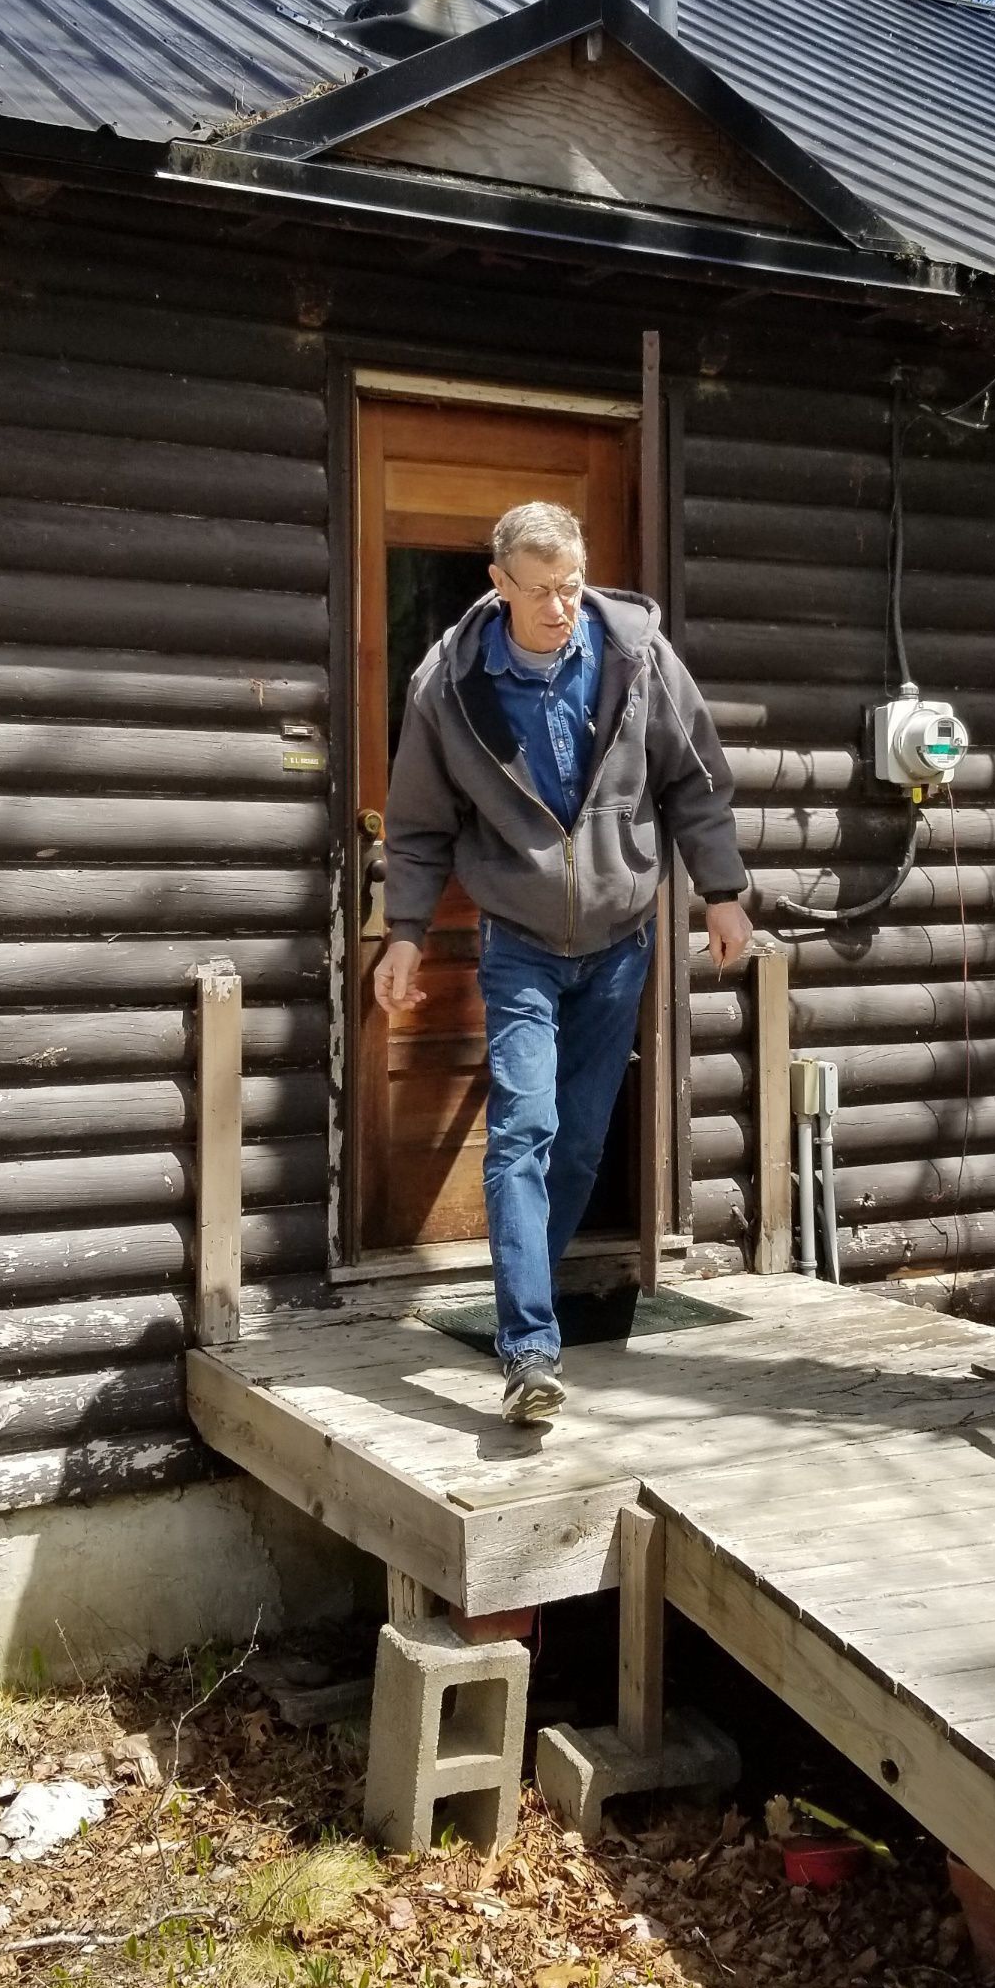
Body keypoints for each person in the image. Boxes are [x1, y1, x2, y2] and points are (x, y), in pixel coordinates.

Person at [375, 500, 753, 1423]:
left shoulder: (637, 655)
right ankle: (530, 1348)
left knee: (579, 1143)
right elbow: (418, 827)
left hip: (622, 942)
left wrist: (722, 890)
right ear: (498, 585)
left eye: (572, 586)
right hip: (519, 945)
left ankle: (528, 1298)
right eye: (540, 590)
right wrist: (405, 933)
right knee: (523, 1131)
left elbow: (695, 779)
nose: (559, 607)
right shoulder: (448, 685)